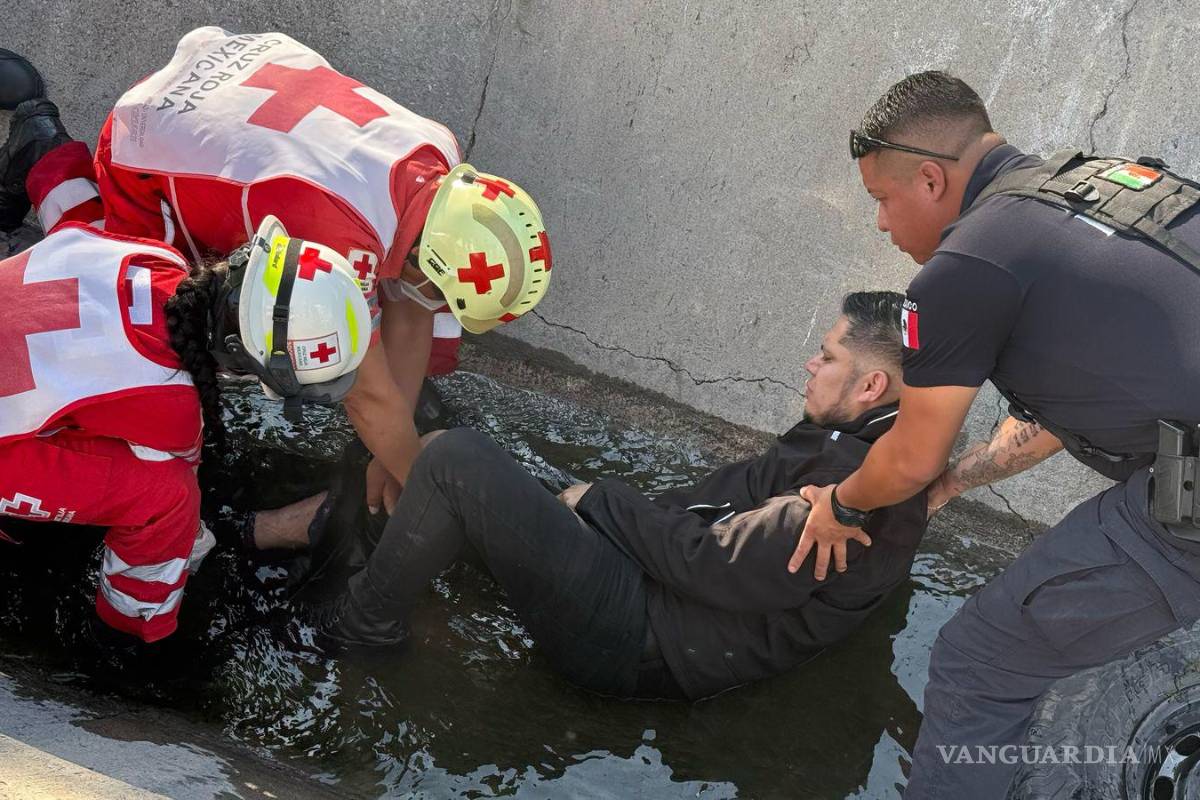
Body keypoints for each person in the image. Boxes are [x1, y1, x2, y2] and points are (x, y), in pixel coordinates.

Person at [788, 71, 1200, 797]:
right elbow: (1044, 423)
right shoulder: (1097, 192)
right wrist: (952, 486)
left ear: (928, 180)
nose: (882, 225)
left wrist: (844, 505)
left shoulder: (962, 268)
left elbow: (911, 454)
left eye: (882, 201)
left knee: (977, 664)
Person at [251, 292, 927, 700]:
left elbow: (714, 564)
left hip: (643, 640)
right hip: (648, 589)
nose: (812, 364)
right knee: (424, 424)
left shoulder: (850, 496)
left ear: (870, 388)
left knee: (456, 459)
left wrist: (599, 500)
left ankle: (357, 628)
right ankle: (304, 531)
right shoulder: (878, 440)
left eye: (829, 357)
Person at [0, 28, 554, 509]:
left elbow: (406, 305)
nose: (436, 305)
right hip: (147, 130)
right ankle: (44, 151)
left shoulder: (439, 162)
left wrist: (393, 447)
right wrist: (412, 474)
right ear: (426, 259)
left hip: (227, 75)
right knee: (132, 296)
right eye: (443, 292)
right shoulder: (337, 236)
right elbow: (367, 391)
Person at [0, 212, 373, 644]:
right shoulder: (170, 404)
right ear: (238, 355)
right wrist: (194, 547)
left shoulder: (154, 259)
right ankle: (129, 628)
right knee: (168, 499)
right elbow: (177, 509)